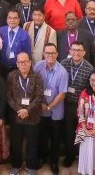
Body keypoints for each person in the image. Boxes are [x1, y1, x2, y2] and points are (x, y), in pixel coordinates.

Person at [33, 44, 68, 174]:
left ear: (57, 54)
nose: (50, 55)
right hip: (40, 109)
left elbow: (62, 94)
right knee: (41, 137)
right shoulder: (38, 66)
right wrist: (41, 104)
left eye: (53, 53)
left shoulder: (62, 72)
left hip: (55, 112)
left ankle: (53, 161)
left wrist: (48, 106)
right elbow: (34, 86)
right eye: (47, 53)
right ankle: (41, 158)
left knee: (55, 138)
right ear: (43, 54)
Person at [6, 52, 44, 175]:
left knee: (32, 144)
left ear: (30, 62)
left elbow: (39, 96)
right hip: (17, 116)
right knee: (16, 143)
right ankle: (16, 166)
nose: (23, 64)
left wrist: (27, 110)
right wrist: (19, 110)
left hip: (32, 116)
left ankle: (31, 167)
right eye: (20, 62)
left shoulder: (37, 76)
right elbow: (9, 96)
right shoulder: (11, 76)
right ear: (17, 64)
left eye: (25, 62)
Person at [59, 41, 95, 168]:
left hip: (82, 106)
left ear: (84, 53)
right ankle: (69, 156)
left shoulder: (89, 68)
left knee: (81, 131)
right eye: (74, 50)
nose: (76, 52)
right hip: (66, 103)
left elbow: (91, 89)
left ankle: (82, 156)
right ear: (69, 51)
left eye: (79, 50)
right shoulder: (63, 64)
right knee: (68, 131)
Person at [0, 9, 31, 79]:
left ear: (19, 20)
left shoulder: (24, 35)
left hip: (17, 68)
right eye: (10, 18)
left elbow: (27, 54)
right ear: (6, 19)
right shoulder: (1, 30)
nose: (12, 20)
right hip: (2, 67)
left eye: (15, 18)